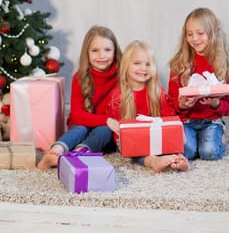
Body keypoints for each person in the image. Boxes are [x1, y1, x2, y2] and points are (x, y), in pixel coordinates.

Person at [37, 26, 122, 170]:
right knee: (80, 128)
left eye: (107, 50)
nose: (102, 56)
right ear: (87, 53)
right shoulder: (80, 77)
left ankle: (77, 155)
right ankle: (54, 152)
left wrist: (108, 123)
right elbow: (77, 115)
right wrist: (106, 120)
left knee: (103, 130)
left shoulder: (122, 75)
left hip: (106, 131)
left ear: (115, 51)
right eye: (95, 50)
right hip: (84, 123)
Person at [106, 40, 189, 173]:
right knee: (138, 150)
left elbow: (169, 117)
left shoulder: (157, 91)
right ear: (126, 66)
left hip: (155, 135)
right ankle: (153, 161)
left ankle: (177, 159)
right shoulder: (118, 95)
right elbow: (116, 125)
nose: (143, 68)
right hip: (132, 141)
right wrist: (120, 140)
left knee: (177, 143)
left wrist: (178, 132)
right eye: (137, 63)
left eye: (148, 64)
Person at [168, 7, 229, 161]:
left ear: (212, 34)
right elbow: (170, 102)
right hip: (186, 120)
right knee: (186, 152)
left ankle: (219, 136)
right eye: (189, 34)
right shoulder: (179, 64)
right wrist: (182, 105)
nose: (194, 39)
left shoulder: (223, 65)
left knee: (210, 152)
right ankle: (200, 140)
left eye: (200, 33)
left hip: (211, 121)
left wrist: (216, 103)